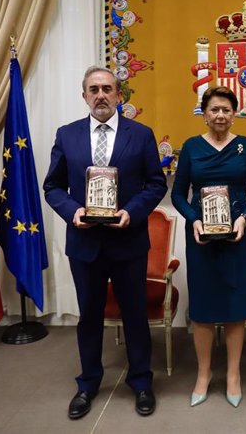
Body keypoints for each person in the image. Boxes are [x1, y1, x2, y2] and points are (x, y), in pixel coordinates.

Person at [43, 66, 167, 419]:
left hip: (128, 241)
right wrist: (72, 211)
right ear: (84, 96)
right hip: (85, 243)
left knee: (135, 315)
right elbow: (52, 186)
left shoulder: (140, 135)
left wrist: (132, 211)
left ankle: (142, 382)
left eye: (107, 89)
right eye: (93, 89)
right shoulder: (67, 135)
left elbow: (156, 184)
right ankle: (88, 383)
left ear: (119, 95)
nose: (100, 95)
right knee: (90, 316)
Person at [171, 86, 246, 408]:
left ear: (235, 112)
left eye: (226, 109)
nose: (221, 115)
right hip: (201, 239)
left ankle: (233, 375)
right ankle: (203, 373)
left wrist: (245, 219)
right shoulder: (191, 147)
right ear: (204, 112)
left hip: (237, 239)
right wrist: (194, 219)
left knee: (234, 307)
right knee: (203, 309)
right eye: (214, 109)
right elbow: (178, 194)